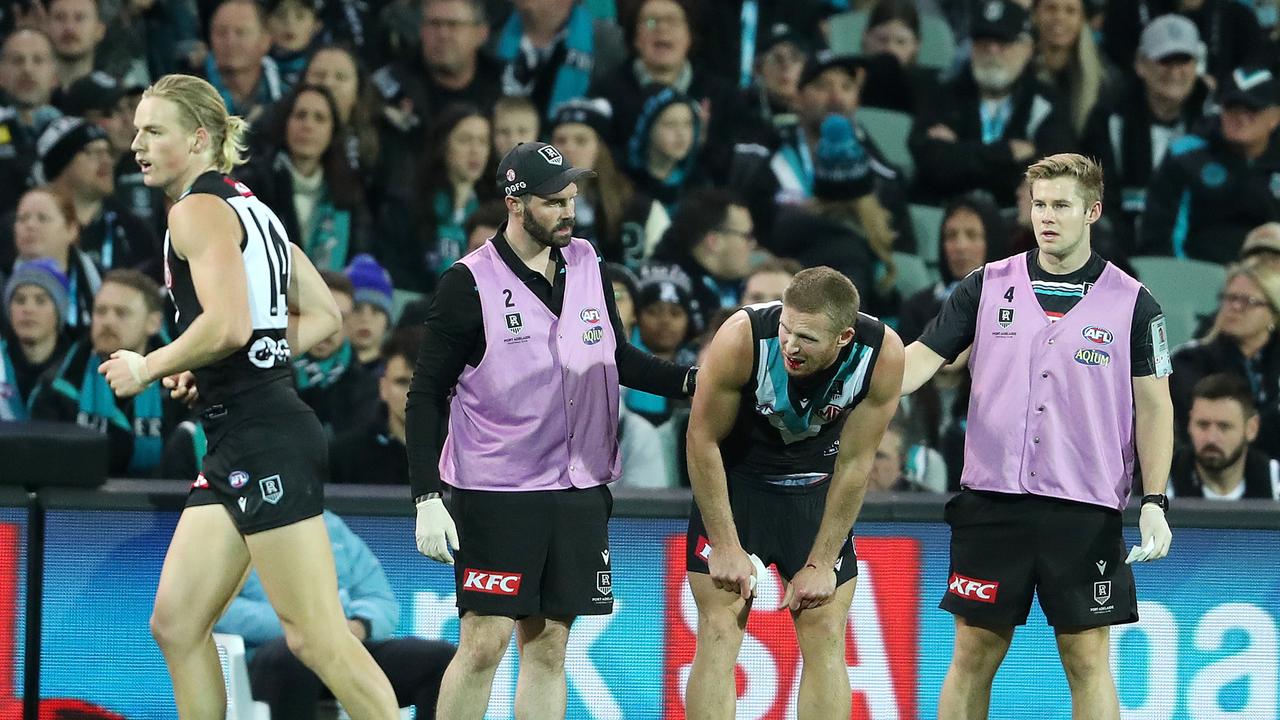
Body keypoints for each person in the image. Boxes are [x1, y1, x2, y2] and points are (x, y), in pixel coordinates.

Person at [97, 73, 399, 718]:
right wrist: (228, 366)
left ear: (199, 138)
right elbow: (321, 316)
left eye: (154, 131)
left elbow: (230, 324)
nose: (137, 144)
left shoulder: (194, 211)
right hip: (247, 431)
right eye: (136, 131)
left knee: (317, 637)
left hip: (260, 439)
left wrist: (150, 366)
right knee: (177, 624)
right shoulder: (253, 208)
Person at [405, 140, 696, 718]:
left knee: (549, 647)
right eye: (554, 202)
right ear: (515, 203)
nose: (569, 212)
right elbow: (424, 394)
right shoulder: (467, 284)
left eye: (572, 199)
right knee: (483, 646)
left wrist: (695, 383)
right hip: (497, 492)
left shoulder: (589, 262)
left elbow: (618, 357)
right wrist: (427, 497)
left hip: (578, 488)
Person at [899, 153, 1174, 719]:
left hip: (1083, 509)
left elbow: (1155, 408)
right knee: (972, 653)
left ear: (1092, 211)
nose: (1047, 217)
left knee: (1086, 661)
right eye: (1039, 204)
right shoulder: (987, 285)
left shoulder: (1135, 305)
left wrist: (1154, 500)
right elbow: (919, 361)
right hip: (992, 501)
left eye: (1062, 206)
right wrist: (852, 382)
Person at [683, 266, 903, 720]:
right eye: (785, 328)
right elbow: (701, 440)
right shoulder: (742, 338)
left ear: (844, 337)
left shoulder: (882, 354)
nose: (790, 345)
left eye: (807, 337)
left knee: (825, 634)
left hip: (815, 492)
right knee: (719, 630)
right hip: (738, 491)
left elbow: (856, 462)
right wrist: (724, 545)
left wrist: (822, 562)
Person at [216, 510, 456, 718]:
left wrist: (358, 625)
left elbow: (382, 600)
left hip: (344, 645)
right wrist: (306, 626)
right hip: (277, 654)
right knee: (294, 656)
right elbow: (223, 609)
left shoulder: (330, 525)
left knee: (439, 660)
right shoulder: (235, 529)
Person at [28, 269, 178, 477]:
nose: (107, 321)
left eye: (121, 313)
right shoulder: (58, 387)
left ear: (153, 323)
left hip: (165, 507)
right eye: (100, 311)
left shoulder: (180, 384)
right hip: (80, 508)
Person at [1170, 373, 1280, 500]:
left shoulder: (1274, 482)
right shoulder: (1163, 483)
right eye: (1202, 425)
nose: (1211, 438)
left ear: (1251, 428)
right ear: (1189, 424)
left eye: (1224, 427)